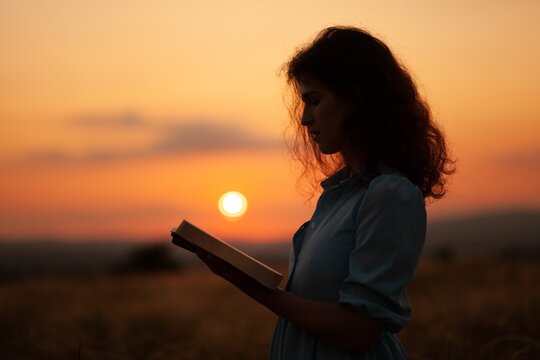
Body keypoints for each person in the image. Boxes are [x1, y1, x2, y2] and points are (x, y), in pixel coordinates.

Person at [191, 26, 454, 359]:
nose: (304, 118)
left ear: (356, 98)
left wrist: (248, 284)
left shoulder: (390, 194)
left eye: (314, 101)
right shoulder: (338, 196)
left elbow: (358, 331)